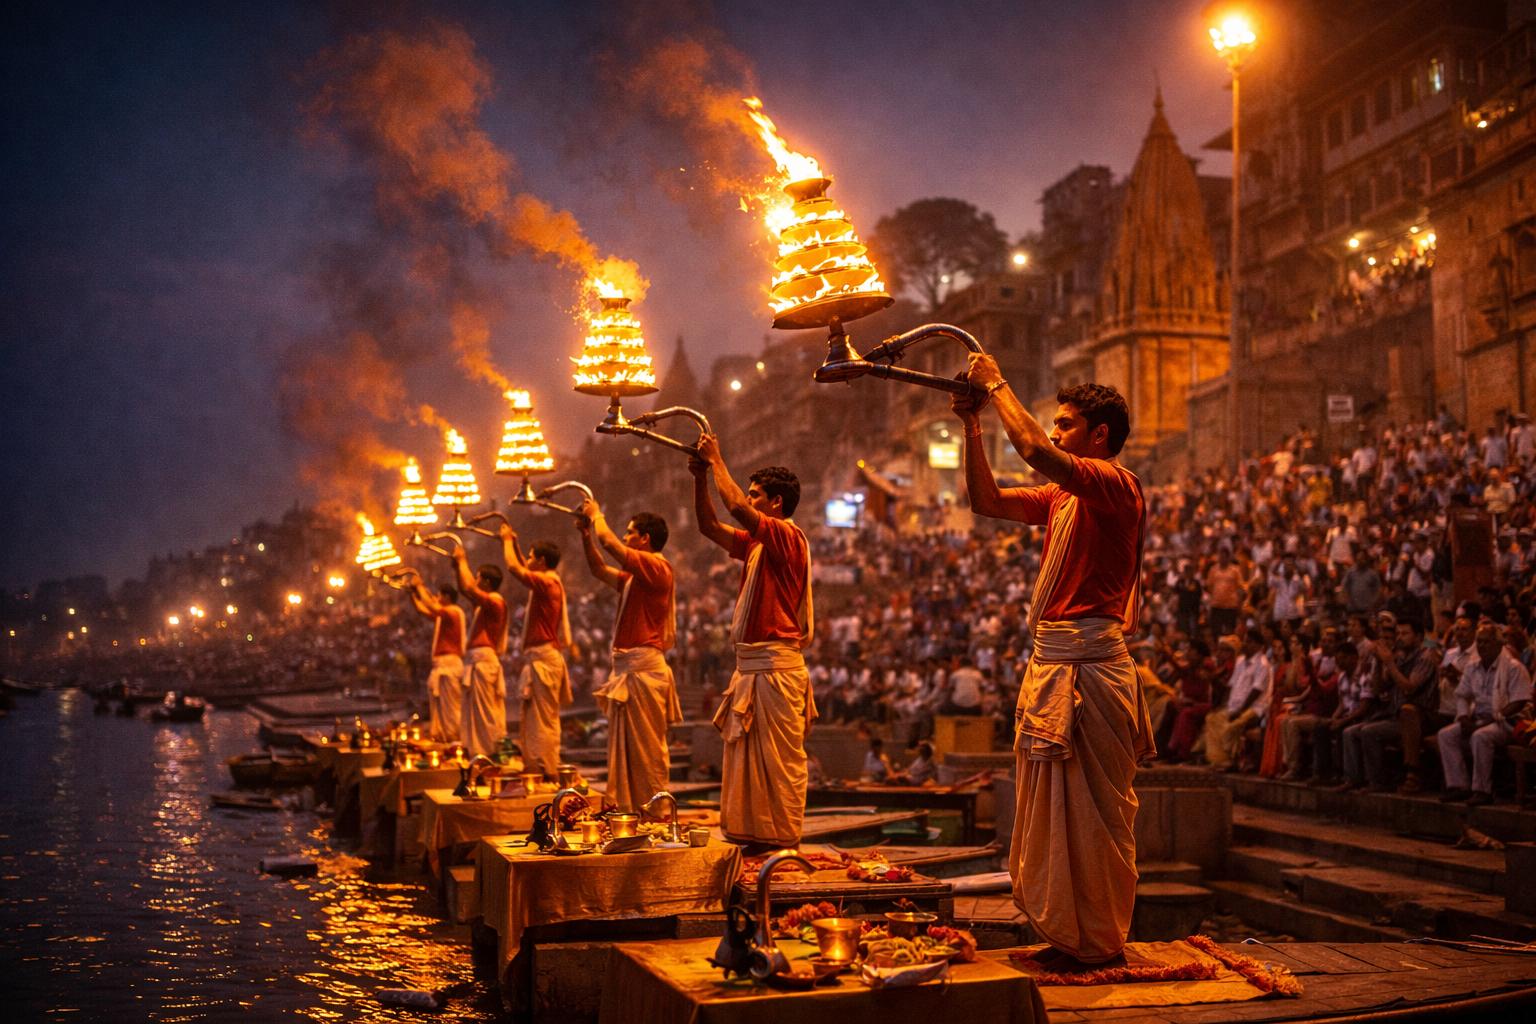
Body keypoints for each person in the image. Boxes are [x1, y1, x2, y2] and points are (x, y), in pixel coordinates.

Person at [954, 362, 1152, 971]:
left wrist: (996, 385)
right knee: (1052, 811)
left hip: (1091, 668)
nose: (1056, 431)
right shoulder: (1063, 498)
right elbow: (986, 501)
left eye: (1067, 424)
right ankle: (1069, 935)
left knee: (1095, 816)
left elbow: (1034, 448)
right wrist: (972, 427)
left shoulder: (1117, 485)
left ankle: (1098, 941)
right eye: (1057, 423)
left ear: (1099, 437)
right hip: (1055, 666)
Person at [689, 435, 815, 854]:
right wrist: (699, 479)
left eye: (755, 493)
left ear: (775, 504)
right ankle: (751, 848)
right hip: (751, 667)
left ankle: (782, 849)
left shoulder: (786, 537)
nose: (747, 498)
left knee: (779, 766)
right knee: (744, 766)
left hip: (775, 668)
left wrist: (717, 459)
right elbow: (710, 527)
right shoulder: (757, 543)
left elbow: (735, 509)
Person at [575, 497, 682, 812]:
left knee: (647, 753)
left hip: (642, 671)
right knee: (626, 755)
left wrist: (597, 514)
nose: (624, 536)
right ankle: (631, 815)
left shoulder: (657, 567)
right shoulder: (636, 577)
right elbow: (597, 568)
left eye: (630, 532)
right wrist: (584, 535)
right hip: (627, 671)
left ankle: (658, 816)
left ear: (644, 540)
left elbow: (608, 541)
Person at [498, 524, 572, 778]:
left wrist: (507, 540)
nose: (527, 560)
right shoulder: (545, 579)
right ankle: (536, 771)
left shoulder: (548, 581)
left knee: (543, 722)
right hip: (539, 659)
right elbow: (521, 564)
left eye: (531, 556)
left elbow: (513, 568)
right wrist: (516, 545)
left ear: (541, 561)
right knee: (532, 722)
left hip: (544, 659)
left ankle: (548, 772)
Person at [1437, 623, 1532, 805]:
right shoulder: (1473, 667)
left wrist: (1485, 722)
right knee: (1446, 735)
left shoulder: (1513, 667)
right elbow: (1462, 695)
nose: (1481, 645)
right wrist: (1464, 717)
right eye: (1479, 641)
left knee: (1480, 737)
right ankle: (1459, 786)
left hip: (1506, 722)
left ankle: (1483, 791)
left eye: (1486, 642)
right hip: (1478, 718)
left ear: (1498, 644)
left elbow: (1518, 702)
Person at [449, 545, 510, 759]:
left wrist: (462, 559)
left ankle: (488, 755)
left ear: (485, 582)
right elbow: (465, 588)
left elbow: (469, 588)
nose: (474, 581)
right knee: (472, 714)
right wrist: (458, 568)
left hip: (483, 661)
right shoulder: (487, 603)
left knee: (484, 714)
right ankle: (477, 754)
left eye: (477, 577)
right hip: (477, 660)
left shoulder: (495, 601)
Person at [405, 578, 467, 743]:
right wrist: (412, 594)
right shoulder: (443, 615)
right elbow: (422, 610)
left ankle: (456, 742)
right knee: (439, 710)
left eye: (439, 595)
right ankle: (443, 741)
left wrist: (419, 586)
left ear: (446, 597)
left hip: (450, 665)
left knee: (452, 709)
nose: (437, 598)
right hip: (441, 666)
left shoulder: (453, 612)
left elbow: (431, 604)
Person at [1205, 549, 1245, 637]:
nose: (1222, 558)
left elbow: (1240, 588)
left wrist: (1240, 604)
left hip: (1230, 606)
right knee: (1216, 631)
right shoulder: (1213, 570)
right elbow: (1209, 588)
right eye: (1221, 556)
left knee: (1229, 631)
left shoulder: (1235, 570)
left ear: (1228, 557)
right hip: (1216, 605)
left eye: (1224, 556)